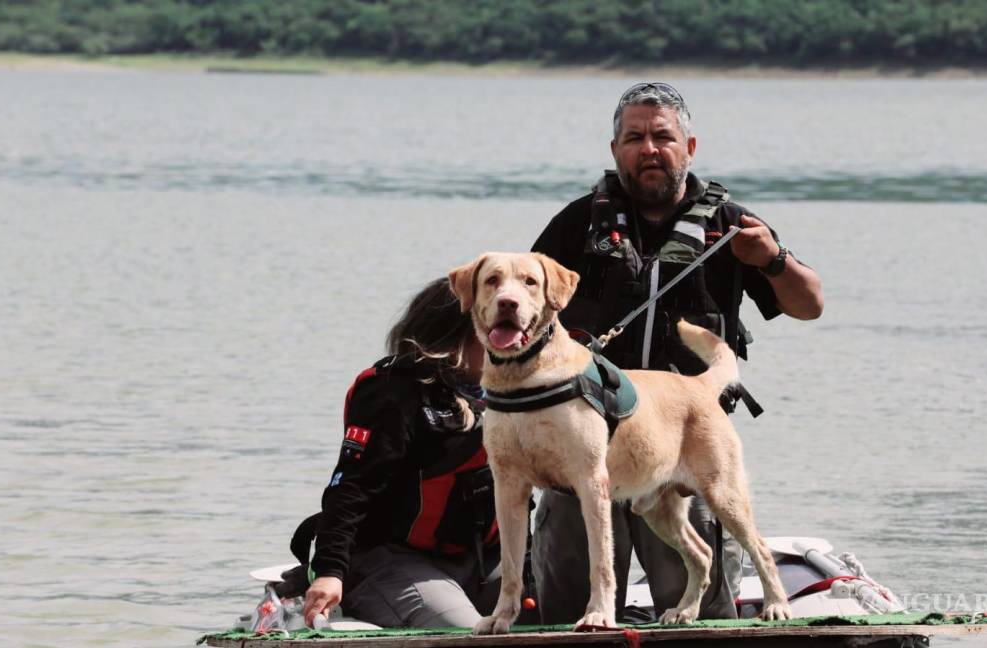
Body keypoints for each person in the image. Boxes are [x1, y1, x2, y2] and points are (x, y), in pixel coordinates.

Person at [530, 82, 823, 624]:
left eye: (663, 137)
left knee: (701, 614)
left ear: (689, 147)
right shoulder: (577, 223)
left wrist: (773, 259)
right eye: (634, 138)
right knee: (567, 614)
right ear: (614, 149)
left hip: (680, 440)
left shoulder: (731, 223)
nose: (649, 149)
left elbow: (809, 306)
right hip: (578, 443)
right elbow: (522, 317)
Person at [299, 278, 504, 629]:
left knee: (568, 614)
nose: (512, 344)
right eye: (495, 331)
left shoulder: (514, 392)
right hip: (390, 559)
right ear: (455, 336)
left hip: (485, 560)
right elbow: (350, 488)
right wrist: (330, 571)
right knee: (469, 636)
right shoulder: (393, 394)